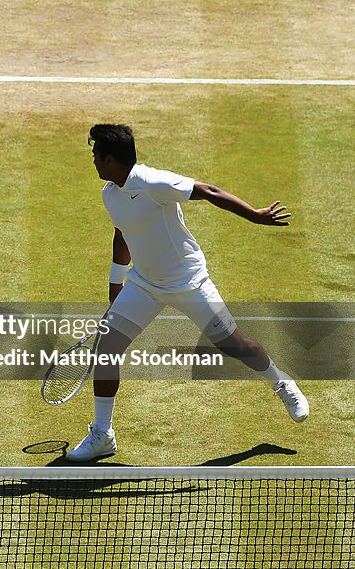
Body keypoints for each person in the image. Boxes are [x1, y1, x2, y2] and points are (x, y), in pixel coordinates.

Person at [66, 124, 309, 462]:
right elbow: (123, 233)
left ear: (111, 159)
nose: (92, 160)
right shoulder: (110, 193)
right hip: (144, 285)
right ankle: (103, 435)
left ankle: (281, 382)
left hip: (189, 282)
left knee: (235, 345)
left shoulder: (153, 183)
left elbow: (208, 190)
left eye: (96, 155)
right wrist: (115, 283)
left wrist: (255, 215)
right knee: (107, 349)